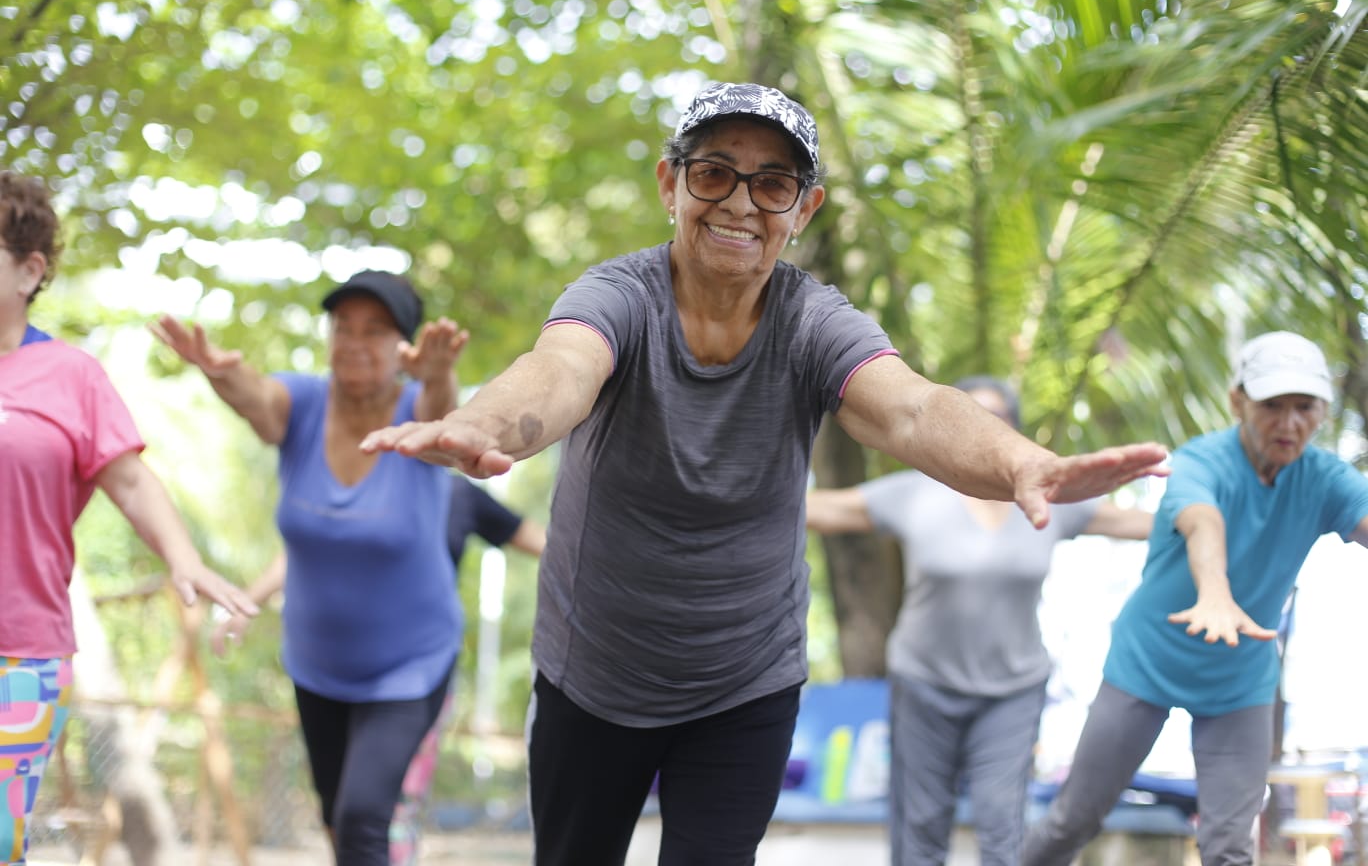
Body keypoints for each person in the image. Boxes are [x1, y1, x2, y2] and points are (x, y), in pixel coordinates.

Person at [358, 80, 1168, 866]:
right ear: (670, 184)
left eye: (773, 184)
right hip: (594, 674)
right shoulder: (618, 295)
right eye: (714, 173)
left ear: (803, 207)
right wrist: (480, 424)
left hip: (744, 684)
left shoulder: (814, 322)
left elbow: (911, 409)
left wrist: (1021, 461)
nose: (741, 204)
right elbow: (562, 369)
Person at [150, 270, 469, 866]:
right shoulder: (302, 404)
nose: (352, 340)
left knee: (362, 819)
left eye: (374, 330)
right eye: (342, 327)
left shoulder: (416, 415)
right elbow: (258, 399)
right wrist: (221, 370)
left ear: (403, 347)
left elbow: (440, 420)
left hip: (408, 666)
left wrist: (440, 373)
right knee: (335, 817)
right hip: (318, 665)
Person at [1021, 331, 1368, 866]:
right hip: (1147, 663)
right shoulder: (1201, 461)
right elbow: (1202, 523)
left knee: (1229, 848)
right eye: (1273, 406)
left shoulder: (1326, 479)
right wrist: (1215, 593)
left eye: (1306, 407)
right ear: (1238, 401)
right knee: (1073, 821)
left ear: (1323, 410)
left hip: (1239, 680)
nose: (1291, 423)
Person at [0, 170, 258, 865]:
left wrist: (186, 558)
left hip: (19, 650)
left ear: (30, 271)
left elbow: (131, 480)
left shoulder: (70, 376)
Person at [805, 375, 1153, 866]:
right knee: (920, 825)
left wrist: (1213, 511)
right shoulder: (915, 492)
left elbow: (1139, 523)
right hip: (924, 684)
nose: (986, 426)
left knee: (1001, 823)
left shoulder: (1049, 499)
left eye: (999, 417)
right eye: (973, 415)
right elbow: (825, 508)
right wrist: (724, 501)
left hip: (1012, 691)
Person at [209, 477, 547, 866]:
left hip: (415, 677)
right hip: (332, 671)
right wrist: (246, 602)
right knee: (339, 811)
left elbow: (533, 537)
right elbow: (302, 551)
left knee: (377, 813)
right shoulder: (353, 487)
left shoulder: (456, 494)